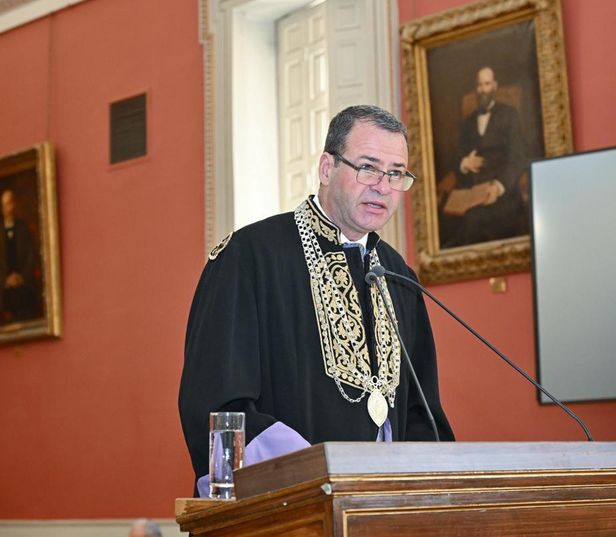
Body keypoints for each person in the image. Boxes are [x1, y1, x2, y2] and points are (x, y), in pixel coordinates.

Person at [179, 105, 454, 496]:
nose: (383, 186)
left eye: (396, 173)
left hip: (378, 508)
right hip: (286, 506)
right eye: (368, 168)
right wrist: (315, 474)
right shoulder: (249, 256)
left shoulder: (399, 277)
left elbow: (421, 415)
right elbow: (218, 407)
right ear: (327, 168)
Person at [439, 66, 530, 247]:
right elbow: (458, 156)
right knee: (445, 220)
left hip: (503, 195)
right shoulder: (469, 122)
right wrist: (464, 163)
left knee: (473, 219)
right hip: (472, 193)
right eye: (479, 85)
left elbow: (519, 157)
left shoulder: (509, 115)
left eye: (486, 84)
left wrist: (499, 186)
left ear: (494, 86)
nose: (482, 89)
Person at [0, 188, 42, 326]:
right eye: (5, 205)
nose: (8, 208)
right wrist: (6, 280)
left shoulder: (24, 229)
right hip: (5, 292)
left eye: (10, 203)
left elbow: (31, 256)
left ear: (14, 204)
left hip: (25, 287)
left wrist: (22, 277)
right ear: (1, 209)